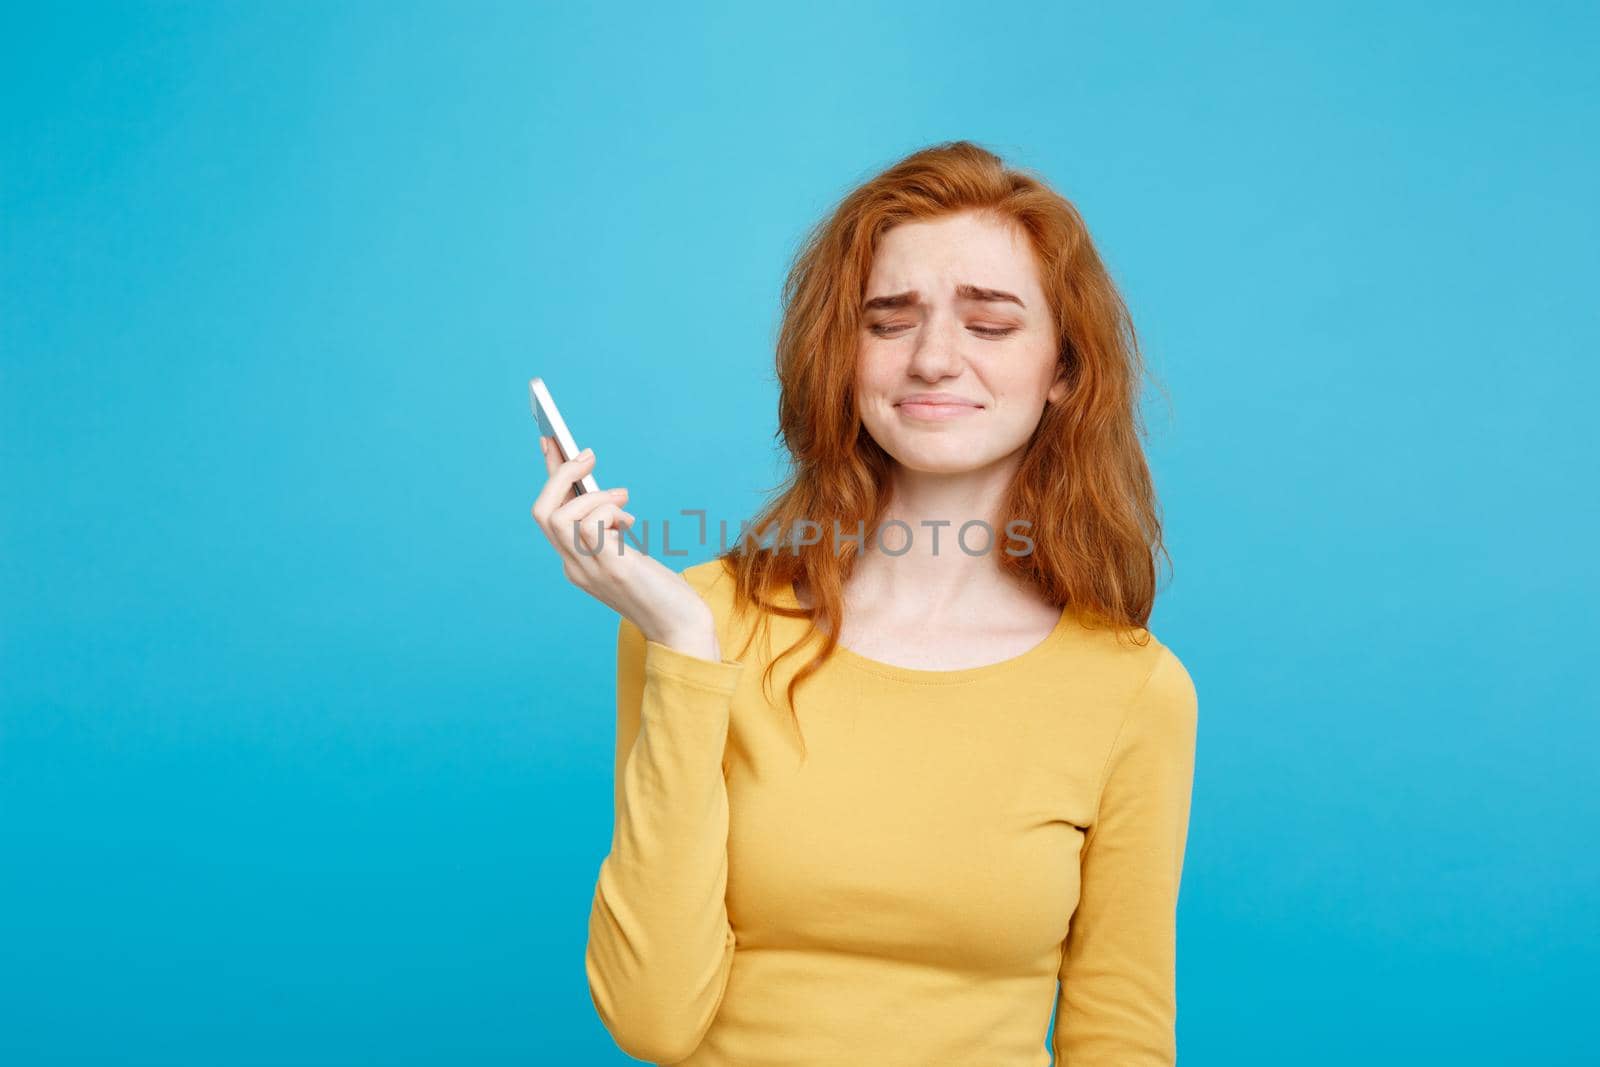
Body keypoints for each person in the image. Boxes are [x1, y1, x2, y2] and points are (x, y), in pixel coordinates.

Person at [532, 140, 1199, 1066]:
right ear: (841, 356)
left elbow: (1119, 1034)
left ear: (1064, 369)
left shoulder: (1135, 691)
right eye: (888, 321)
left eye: (991, 325)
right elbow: (652, 1021)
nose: (933, 358)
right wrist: (684, 647)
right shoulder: (696, 621)